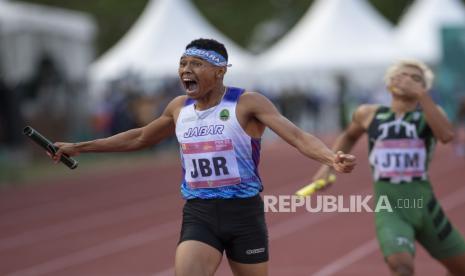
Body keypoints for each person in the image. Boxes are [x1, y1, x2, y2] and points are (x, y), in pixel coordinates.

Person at [52, 38, 356, 276]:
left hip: (243, 213)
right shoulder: (178, 107)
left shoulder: (247, 102)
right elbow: (141, 137)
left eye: (196, 64)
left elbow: (298, 136)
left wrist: (331, 158)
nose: (186, 70)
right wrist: (80, 147)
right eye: (182, 63)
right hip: (200, 212)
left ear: (220, 70)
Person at [313, 60, 465, 276]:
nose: (408, 80)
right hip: (390, 209)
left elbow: (447, 135)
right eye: (403, 75)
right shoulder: (368, 114)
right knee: (401, 267)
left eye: (416, 78)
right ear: (390, 83)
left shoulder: (430, 114)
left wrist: (422, 95)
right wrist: (328, 164)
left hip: (426, 208)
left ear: (424, 87)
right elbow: (348, 135)